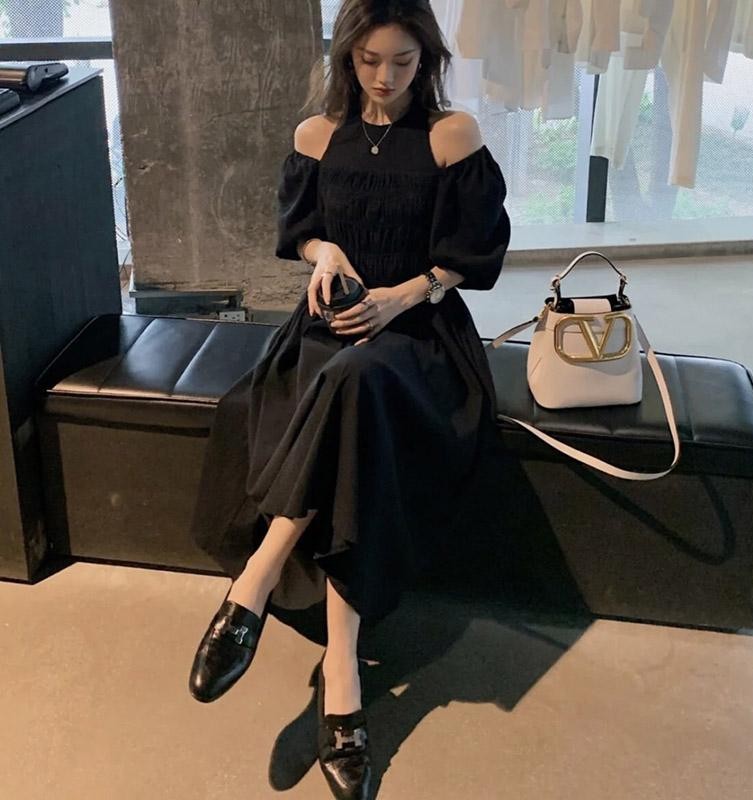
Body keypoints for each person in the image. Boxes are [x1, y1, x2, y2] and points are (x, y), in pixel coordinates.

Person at [187, 1, 510, 797]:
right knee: (347, 399)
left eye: (403, 62)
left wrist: (405, 294)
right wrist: (324, 250)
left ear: (426, 61)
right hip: (327, 330)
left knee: (357, 381)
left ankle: (255, 583)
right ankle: (343, 678)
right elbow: (300, 232)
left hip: (421, 341)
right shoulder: (316, 135)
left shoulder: (451, 136)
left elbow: (474, 254)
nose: (385, 77)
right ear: (347, 58)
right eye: (370, 61)